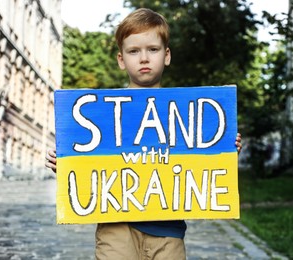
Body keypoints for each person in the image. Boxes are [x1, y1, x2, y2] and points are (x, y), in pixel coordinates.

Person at [46, 8, 243, 260]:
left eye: (153, 49)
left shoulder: (186, 112)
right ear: (121, 59)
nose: (144, 58)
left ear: (166, 55)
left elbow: (201, 159)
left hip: (168, 231)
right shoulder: (101, 113)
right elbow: (89, 166)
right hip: (115, 228)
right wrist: (66, 163)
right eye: (133, 51)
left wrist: (223, 150)